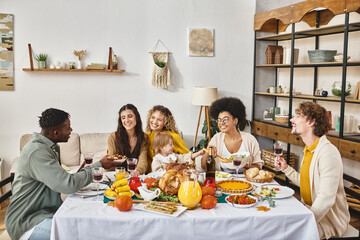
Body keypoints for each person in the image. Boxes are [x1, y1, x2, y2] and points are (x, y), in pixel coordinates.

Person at [5, 108, 116, 240]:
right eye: (68, 128)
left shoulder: (51, 148)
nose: (71, 130)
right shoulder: (37, 152)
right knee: (79, 234)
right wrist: (98, 166)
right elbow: (67, 185)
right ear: (56, 133)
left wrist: (82, 173)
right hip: (27, 221)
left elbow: (59, 180)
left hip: (47, 213)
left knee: (88, 225)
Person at [274, 102, 350, 239]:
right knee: (276, 222)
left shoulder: (328, 152)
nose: (292, 120)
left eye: (297, 116)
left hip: (328, 222)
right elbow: (308, 183)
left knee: (285, 234)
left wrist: (305, 220)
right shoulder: (310, 149)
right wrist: (286, 169)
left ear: (311, 122)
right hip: (309, 211)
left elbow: (326, 198)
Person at [201, 97, 264, 172]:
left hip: (246, 180)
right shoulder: (216, 138)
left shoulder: (250, 139)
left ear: (235, 121)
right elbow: (203, 166)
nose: (221, 123)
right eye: (219, 120)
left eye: (226, 119)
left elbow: (258, 167)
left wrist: (243, 166)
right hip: (222, 179)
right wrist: (208, 151)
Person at [107, 104, 148, 176]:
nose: (126, 120)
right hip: (117, 175)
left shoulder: (144, 137)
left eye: (130, 116)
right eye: (123, 118)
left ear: (136, 117)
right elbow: (111, 160)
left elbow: (143, 160)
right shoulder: (113, 137)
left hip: (135, 175)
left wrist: (138, 171)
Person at [146, 105, 189, 172]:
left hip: (171, 174)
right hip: (151, 175)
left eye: (159, 120)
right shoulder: (146, 137)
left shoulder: (173, 136)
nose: (154, 121)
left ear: (166, 123)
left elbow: (187, 157)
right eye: (153, 117)